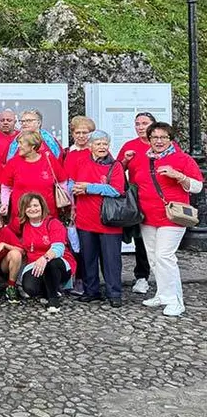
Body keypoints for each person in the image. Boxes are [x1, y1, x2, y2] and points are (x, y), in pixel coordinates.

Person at [131, 121, 203, 317]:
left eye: (164, 137)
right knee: (154, 258)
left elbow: (197, 186)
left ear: (170, 139)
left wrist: (178, 176)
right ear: (149, 139)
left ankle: (175, 300)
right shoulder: (142, 160)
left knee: (165, 256)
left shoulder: (182, 159)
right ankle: (163, 294)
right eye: (155, 137)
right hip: (148, 217)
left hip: (172, 216)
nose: (159, 141)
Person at [68, 130, 126, 307]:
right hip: (85, 219)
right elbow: (71, 182)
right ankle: (91, 290)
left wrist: (89, 188)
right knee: (87, 258)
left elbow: (117, 190)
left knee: (111, 260)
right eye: (98, 144)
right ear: (91, 146)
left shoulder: (115, 166)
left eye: (105, 144)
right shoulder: (81, 162)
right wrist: (74, 189)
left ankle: (114, 293)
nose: (102, 147)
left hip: (108, 222)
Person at [116, 111, 157, 295]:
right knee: (139, 238)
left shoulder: (163, 144)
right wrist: (125, 159)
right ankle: (141, 276)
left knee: (156, 240)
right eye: (138, 124)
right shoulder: (130, 145)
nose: (141, 127)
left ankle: (157, 275)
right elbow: (116, 170)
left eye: (144, 123)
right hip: (136, 199)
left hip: (158, 199)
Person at [17, 192, 76, 313]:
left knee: (51, 264)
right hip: (34, 264)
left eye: (35, 205)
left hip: (57, 261)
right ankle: (47, 290)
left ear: (42, 206)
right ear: (24, 209)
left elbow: (58, 248)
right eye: (28, 206)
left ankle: (53, 299)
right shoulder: (22, 224)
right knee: (30, 288)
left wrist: (45, 258)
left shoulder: (53, 223)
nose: (33, 209)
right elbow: (6, 233)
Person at [0, 131, 68, 235]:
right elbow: (6, 187)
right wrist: (5, 204)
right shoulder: (13, 162)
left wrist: (67, 204)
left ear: (32, 146)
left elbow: (62, 183)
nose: (19, 146)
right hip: (21, 214)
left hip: (46, 213)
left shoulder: (49, 159)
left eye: (22, 143)